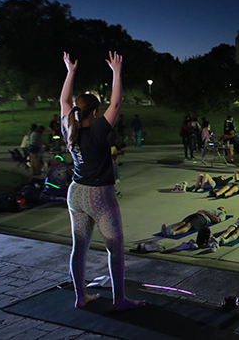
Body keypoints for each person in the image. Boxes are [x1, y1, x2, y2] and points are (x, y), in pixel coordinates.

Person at [60, 51, 144, 310]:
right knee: (115, 246)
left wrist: (70, 72)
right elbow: (116, 105)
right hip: (99, 197)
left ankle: (80, 296)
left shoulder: (68, 126)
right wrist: (117, 72)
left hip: (76, 194)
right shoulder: (96, 132)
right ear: (95, 112)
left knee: (80, 247)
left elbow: (64, 100)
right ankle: (120, 300)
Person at [161, 207, 227, 237]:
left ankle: (174, 233)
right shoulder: (213, 209)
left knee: (189, 225)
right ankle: (168, 231)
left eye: (223, 207)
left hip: (204, 218)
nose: (221, 207)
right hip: (197, 214)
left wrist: (207, 212)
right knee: (182, 223)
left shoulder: (222, 213)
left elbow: (218, 220)